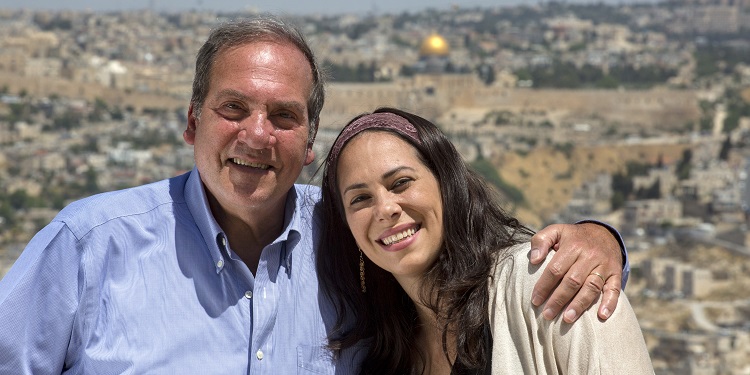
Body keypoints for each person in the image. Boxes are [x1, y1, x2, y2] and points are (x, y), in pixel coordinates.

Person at [0, 16, 627, 373]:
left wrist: (601, 240)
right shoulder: (89, 247)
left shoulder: (355, 241)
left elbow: (475, 261)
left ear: (308, 144)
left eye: (283, 116)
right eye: (233, 108)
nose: (256, 134)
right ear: (192, 122)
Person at [317, 108, 653, 374]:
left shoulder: (554, 284)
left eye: (401, 182)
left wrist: (603, 237)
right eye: (359, 199)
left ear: (446, 183)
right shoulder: (382, 356)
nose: (385, 209)